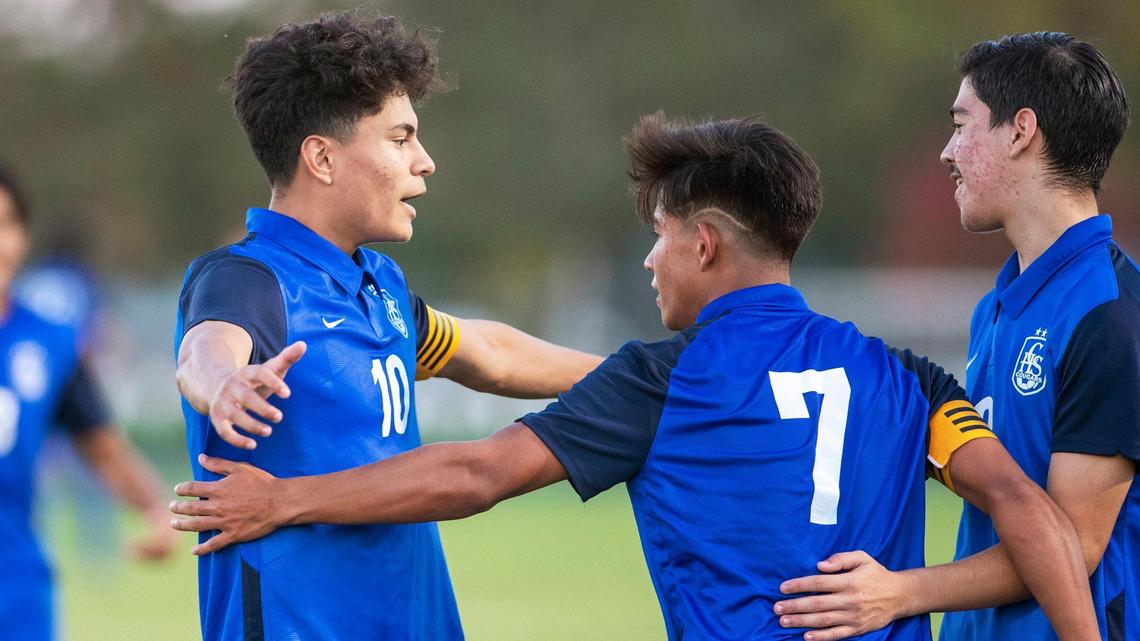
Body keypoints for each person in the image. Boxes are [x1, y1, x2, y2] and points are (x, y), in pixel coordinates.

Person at [172, 112, 1099, 640]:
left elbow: (477, 474)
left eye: (658, 235)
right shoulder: (909, 380)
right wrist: (916, 589)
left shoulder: (664, 385)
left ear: (702, 242)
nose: (650, 260)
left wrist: (287, 500)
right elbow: (1027, 509)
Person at [172, 12, 602, 641]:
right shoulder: (249, 279)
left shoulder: (379, 284)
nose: (424, 162)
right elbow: (206, 348)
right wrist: (224, 385)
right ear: (321, 157)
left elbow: (491, 354)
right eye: (400, 138)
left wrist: (636, 377)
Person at [773, 32, 1138, 641]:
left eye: (962, 124)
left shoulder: (1109, 313)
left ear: (1022, 131)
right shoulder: (996, 307)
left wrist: (899, 592)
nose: (948, 151)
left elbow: (1073, 546)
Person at [0, 163, 176, 641]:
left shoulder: (50, 341)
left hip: (15, 587)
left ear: (22, 237)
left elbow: (102, 447)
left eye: (4, 225)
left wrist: (153, 508)